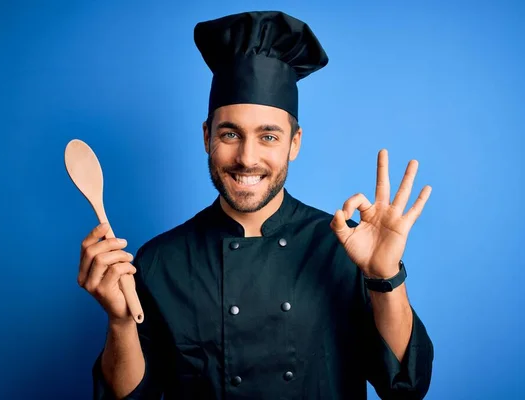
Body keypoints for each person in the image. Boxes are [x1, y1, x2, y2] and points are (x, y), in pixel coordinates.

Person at [80, 10, 434, 400]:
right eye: (230, 133)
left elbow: (405, 386)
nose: (247, 158)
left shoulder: (344, 250)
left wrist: (385, 277)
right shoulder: (159, 261)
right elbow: (129, 398)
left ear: (294, 143)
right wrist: (119, 322)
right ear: (206, 137)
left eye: (268, 136)